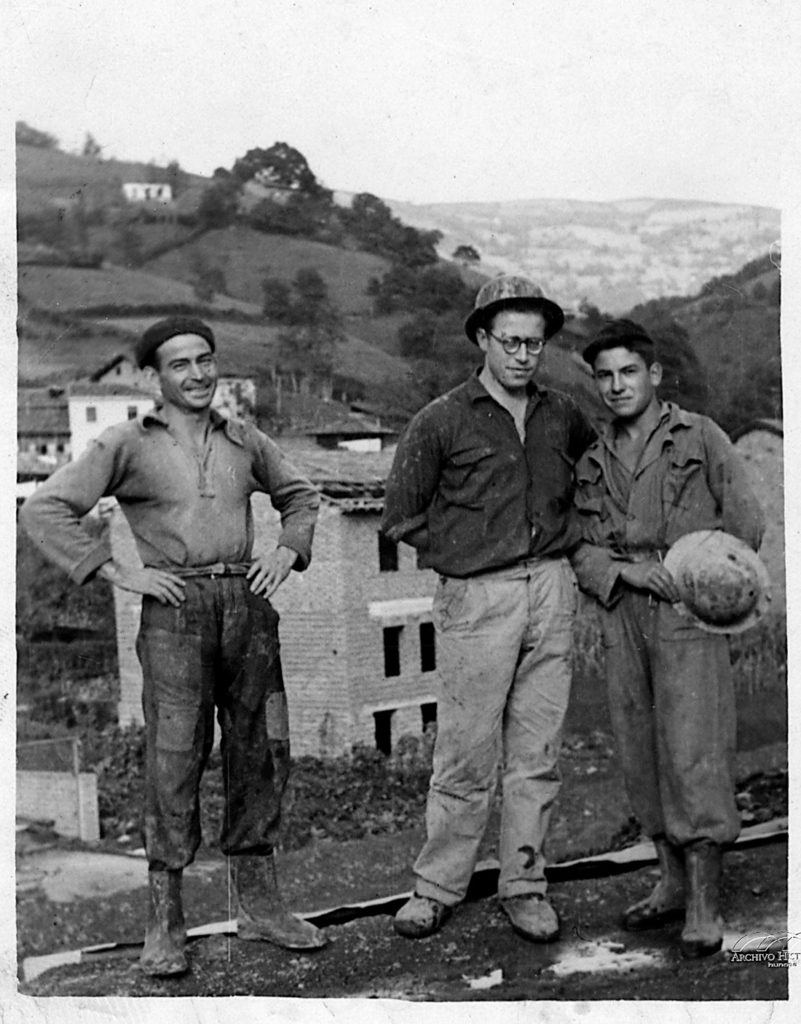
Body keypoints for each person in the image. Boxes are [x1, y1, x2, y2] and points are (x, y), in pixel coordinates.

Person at [20, 316, 327, 976]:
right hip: (174, 611)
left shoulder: (245, 438)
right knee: (173, 760)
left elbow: (301, 497)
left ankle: (260, 906)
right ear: (153, 376)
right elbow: (42, 508)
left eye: (206, 360)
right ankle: (166, 922)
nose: (198, 374)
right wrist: (117, 570)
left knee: (260, 751)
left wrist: (285, 548)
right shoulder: (126, 442)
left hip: (246, 608)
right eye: (181, 364)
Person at [381, 275, 594, 942]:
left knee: (535, 753)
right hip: (478, 597)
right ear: (481, 339)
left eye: (535, 343)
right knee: (467, 752)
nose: (524, 355)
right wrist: (465, 554)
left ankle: (524, 885)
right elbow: (400, 516)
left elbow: (592, 480)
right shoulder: (441, 418)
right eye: (510, 341)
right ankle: (438, 886)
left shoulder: (563, 414)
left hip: (553, 590)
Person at [571, 318, 764, 958]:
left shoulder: (699, 435)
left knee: (694, 747)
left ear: (653, 375)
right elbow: (582, 547)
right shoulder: (594, 458)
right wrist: (625, 570)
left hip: (687, 611)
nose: (616, 385)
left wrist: (703, 573)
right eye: (604, 375)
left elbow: (746, 521)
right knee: (639, 745)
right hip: (624, 610)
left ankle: (706, 902)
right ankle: (671, 883)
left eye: (629, 372)